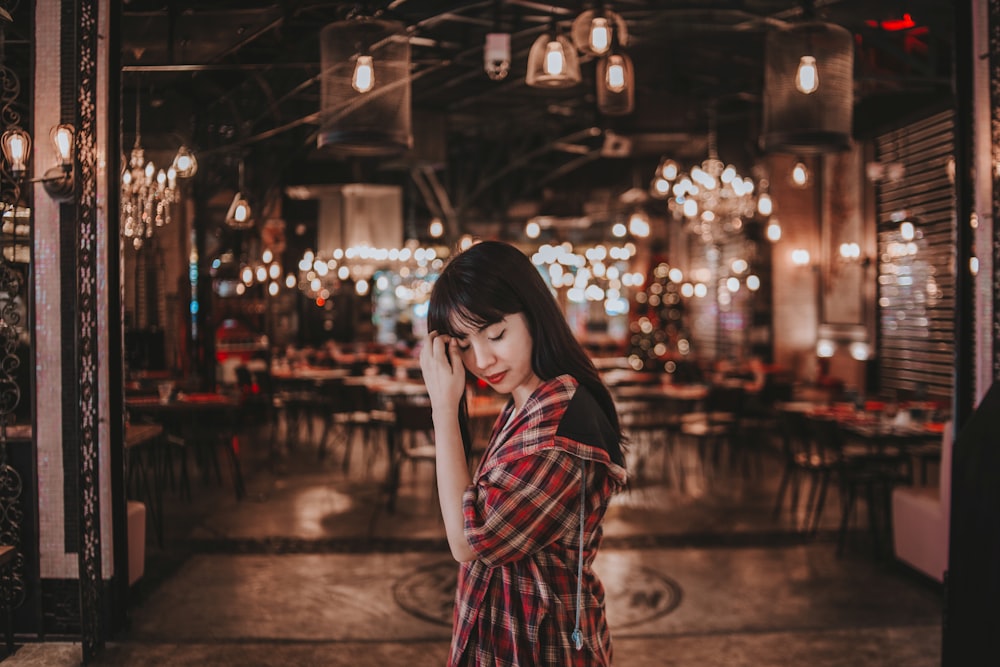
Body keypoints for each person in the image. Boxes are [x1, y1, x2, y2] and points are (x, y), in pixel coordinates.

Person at [419, 240, 628, 666]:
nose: (482, 359)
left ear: (535, 315)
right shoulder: (525, 401)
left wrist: (444, 407)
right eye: (463, 343)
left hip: (540, 646)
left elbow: (467, 541)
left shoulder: (559, 433)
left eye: (495, 334)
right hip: (511, 637)